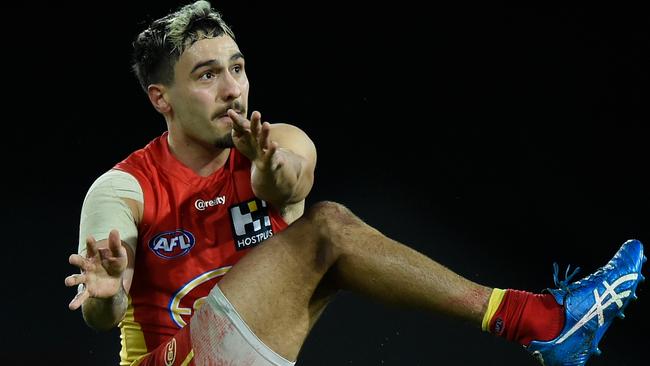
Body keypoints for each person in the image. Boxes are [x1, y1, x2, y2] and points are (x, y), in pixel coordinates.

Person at [64, 1, 646, 365]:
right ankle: (538, 320)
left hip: (246, 351)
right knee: (329, 230)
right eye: (208, 75)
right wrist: (111, 289)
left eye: (237, 68)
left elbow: (286, 185)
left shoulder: (280, 142)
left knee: (325, 236)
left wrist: (268, 173)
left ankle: (541, 323)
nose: (233, 89)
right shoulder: (122, 190)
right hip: (171, 361)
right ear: (160, 99)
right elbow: (102, 314)